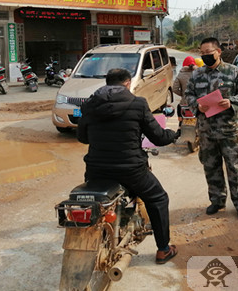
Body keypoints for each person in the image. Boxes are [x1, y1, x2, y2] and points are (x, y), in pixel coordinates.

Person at [77, 68, 179, 264]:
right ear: (127, 83)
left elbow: (82, 137)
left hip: (96, 170)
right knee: (158, 198)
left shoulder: (90, 104)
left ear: (107, 83)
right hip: (131, 169)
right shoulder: (137, 103)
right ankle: (163, 250)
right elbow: (157, 137)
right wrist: (172, 134)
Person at [184, 37, 238, 222]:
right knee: (211, 168)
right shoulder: (197, 75)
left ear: (219, 52)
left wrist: (232, 102)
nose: (205, 56)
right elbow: (188, 94)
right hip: (206, 133)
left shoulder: (233, 72)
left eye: (209, 53)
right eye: (202, 53)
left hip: (229, 132)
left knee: (236, 169)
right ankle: (217, 200)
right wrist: (197, 106)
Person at [172, 56, 197, 122]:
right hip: (197, 103)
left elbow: (174, 89)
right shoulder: (198, 73)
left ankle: (180, 127)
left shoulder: (180, 74)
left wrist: (183, 94)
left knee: (179, 109)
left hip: (184, 103)